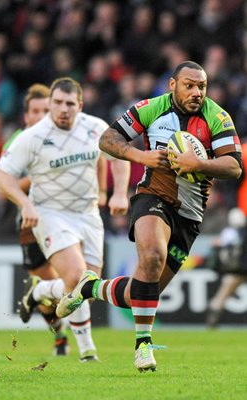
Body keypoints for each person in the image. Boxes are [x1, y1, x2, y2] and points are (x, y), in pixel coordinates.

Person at [56, 61, 243, 372]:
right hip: (153, 196)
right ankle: (143, 346)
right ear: (172, 85)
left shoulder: (217, 116)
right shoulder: (150, 108)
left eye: (202, 86)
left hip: (190, 215)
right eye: (189, 85)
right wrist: (140, 155)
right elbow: (107, 139)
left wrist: (198, 164)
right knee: (152, 254)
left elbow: (234, 166)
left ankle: (88, 287)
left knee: (142, 292)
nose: (196, 92)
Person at [0, 77, 130, 363]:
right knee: (77, 279)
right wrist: (26, 203)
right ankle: (87, 352)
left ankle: (40, 290)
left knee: (88, 291)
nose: (63, 109)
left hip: (88, 212)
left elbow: (119, 156)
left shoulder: (95, 127)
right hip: (50, 213)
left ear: (79, 105)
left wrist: (118, 193)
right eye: (57, 103)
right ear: (51, 104)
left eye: (69, 104)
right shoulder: (32, 136)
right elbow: (1, 176)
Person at [2, 83, 71, 356]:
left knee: (64, 279)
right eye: (36, 111)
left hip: (65, 217)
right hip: (31, 221)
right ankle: (59, 336)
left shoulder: (65, 136)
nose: (42, 115)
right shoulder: (18, 140)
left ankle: (74, 338)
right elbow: (5, 184)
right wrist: (41, 176)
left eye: (46, 109)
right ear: (26, 115)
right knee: (45, 282)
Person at [206, 141, 247, 327]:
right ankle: (217, 303)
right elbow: (230, 182)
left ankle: (217, 304)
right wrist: (233, 208)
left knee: (241, 269)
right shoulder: (245, 152)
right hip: (246, 215)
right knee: (241, 267)